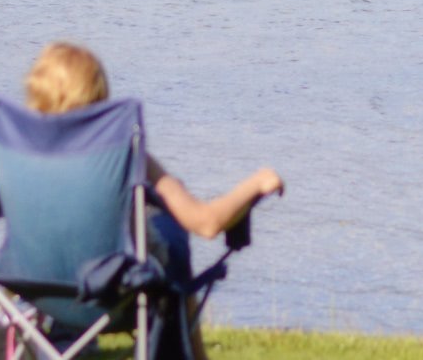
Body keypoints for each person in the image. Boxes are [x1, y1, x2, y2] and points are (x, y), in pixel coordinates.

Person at [23, 43, 281, 360]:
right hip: (117, 297)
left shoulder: (21, 158)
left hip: (40, 287)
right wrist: (257, 182)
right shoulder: (123, 155)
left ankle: (65, 338)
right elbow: (207, 222)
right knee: (169, 236)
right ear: (99, 98)